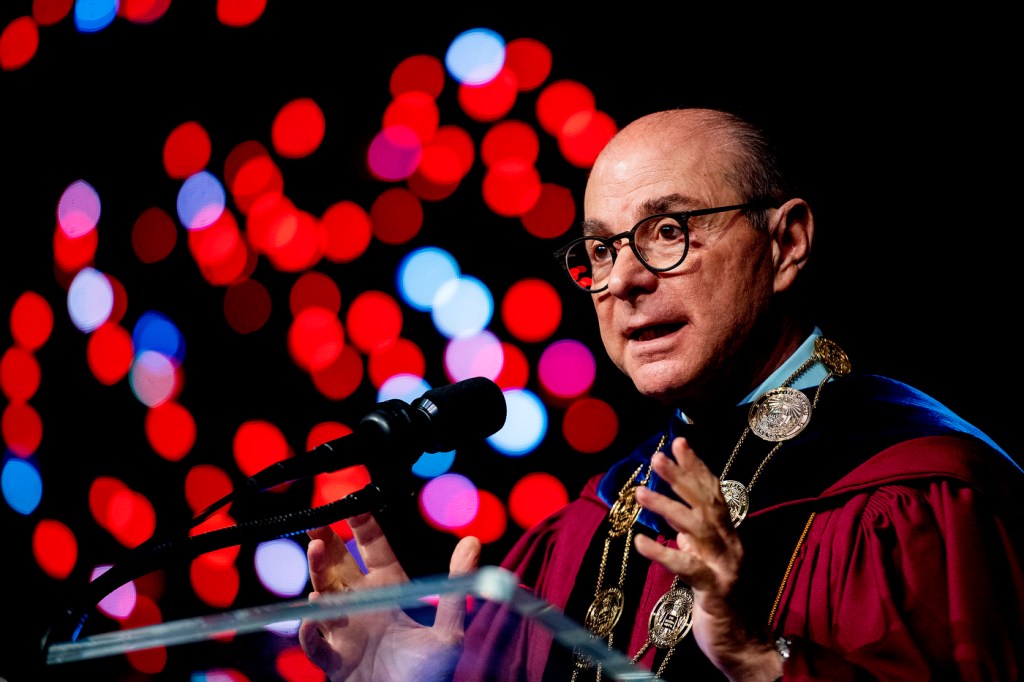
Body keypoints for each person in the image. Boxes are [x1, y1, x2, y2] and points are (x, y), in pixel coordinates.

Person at [297, 107, 1024, 681]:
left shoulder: (917, 496)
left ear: (787, 244)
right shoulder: (579, 532)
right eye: (603, 250)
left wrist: (758, 661)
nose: (627, 281)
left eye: (669, 230)